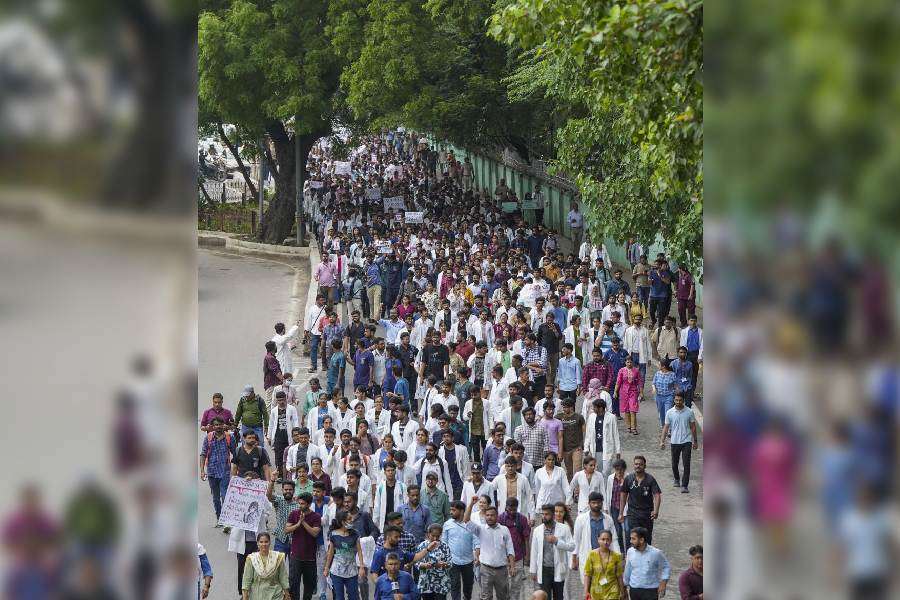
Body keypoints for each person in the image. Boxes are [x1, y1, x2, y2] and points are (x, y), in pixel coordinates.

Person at [466, 503, 516, 600]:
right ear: (485, 516)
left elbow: (510, 548)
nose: (489, 517)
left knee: (503, 597)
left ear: (497, 516)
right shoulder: (480, 529)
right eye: (487, 515)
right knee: (486, 597)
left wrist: (512, 566)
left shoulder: (504, 529)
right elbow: (466, 521)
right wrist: (471, 504)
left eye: (492, 515)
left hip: (502, 570)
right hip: (485, 569)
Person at [528, 504, 574, 600]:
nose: (544, 517)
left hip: (558, 568)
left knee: (559, 596)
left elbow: (572, 546)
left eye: (547, 514)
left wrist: (557, 541)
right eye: (542, 514)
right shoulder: (537, 530)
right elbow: (534, 552)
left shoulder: (564, 528)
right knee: (545, 597)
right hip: (544, 570)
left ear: (553, 515)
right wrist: (533, 570)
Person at [285, 493, 323, 600]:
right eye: (299, 503)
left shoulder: (316, 517)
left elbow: (315, 533)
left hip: (310, 558)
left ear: (309, 504)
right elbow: (286, 530)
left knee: (309, 586)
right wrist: (297, 524)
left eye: (303, 504)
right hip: (295, 556)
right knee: (293, 584)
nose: (300, 505)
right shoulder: (294, 514)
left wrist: (303, 522)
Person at [322, 510, 366, 600]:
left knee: (354, 597)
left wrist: (362, 567)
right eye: (349, 519)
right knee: (339, 597)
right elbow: (330, 553)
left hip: (352, 571)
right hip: (336, 571)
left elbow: (360, 551)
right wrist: (326, 568)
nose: (352, 520)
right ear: (343, 522)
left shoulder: (355, 533)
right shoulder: (333, 534)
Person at [200, 417, 237, 524]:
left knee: (225, 496)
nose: (218, 427)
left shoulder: (229, 438)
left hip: (225, 471)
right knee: (216, 498)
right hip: (211, 471)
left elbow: (235, 454)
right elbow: (203, 454)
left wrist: (237, 470)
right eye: (215, 425)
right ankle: (219, 518)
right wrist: (202, 471)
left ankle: (226, 520)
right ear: (212, 426)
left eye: (220, 424)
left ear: (223, 425)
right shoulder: (208, 438)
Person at [659, 393, 699, 493]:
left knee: (686, 464)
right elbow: (666, 427)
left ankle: (685, 485)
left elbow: (693, 427)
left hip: (687, 441)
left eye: (680, 400)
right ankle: (677, 479)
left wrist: (695, 441)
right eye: (676, 400)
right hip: (674, 441)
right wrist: (662, 441)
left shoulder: (689, 412)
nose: (678, 402)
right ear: (674, 400)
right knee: (674, 464)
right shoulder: (670, 412)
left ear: (683, 400)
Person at [618, 457, 661, 545]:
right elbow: (623, 495)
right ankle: (632, 557)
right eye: (636, 464)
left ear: (645, 466)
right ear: (634, 465)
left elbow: (657, 495)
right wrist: (621, 513)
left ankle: (647, 557)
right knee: (633, 537)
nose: (638, 466)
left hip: (647, 515)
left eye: (640, 464)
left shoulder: (650, 479)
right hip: (632, 514)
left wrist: (656, 511)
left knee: (646, 538)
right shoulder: (629, 479)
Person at [442, 501, 479, 600]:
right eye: (450, 510)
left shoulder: (470, 525)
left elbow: (476, 542)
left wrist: (477, 556)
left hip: (468, 560)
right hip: (453, 561)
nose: (451, 512)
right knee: (454, 585)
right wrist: (445, 559)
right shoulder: (447, 524)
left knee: (468, 585)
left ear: (462, 511)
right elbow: (444, 543)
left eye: (453, 510)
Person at [623, 527, 670, 600]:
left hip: (651, 590)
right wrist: (625, 585)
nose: (630, 541)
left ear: (641, 540)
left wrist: (663, 583)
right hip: (634, 589)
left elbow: (666, 566)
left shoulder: (656, 553)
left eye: (633, 539)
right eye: (631, 538)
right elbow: (628, 569)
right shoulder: (630, 551)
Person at [241, 532, 290, 600]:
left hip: (275, 595)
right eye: (261, 542)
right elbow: (247, 579)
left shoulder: (278, 557)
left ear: (270, 543)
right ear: (257, 543)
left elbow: (283, 577)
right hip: (257, 595)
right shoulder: (252, 559)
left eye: (266, 542)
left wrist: (287, 594)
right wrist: (245, 597)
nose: (264, 544)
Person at [412, 523, 453, 600]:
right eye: (433, 535)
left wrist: (444, 564)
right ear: (428, 534)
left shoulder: (445, 546)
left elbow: (450, 563)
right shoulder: (422, 546)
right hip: (426, 582)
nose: (435, 538)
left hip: (441, 583)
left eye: (437, 536)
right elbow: (415, 562)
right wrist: (424, 565)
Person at [582, 529, 625, 600]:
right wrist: (586, 591)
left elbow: (619, 575)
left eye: (608, 540)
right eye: (603, 539)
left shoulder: (616, 556)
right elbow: (587, 574)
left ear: (611, 541)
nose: (605, 542)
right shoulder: (592, 555)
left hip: (612, 590)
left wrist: (622, 592)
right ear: (598, 540)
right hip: (596, 591)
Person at [584, 398, 620, 477]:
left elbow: (615, 434)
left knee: (606, 471)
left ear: (600, 408)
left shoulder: (611, 417)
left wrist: (618, 450)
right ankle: (599, 489)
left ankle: (607, 489)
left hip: (607, 448)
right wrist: (586, 447)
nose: (593, 409)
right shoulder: (591, 417)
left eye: (595, 407)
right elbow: (588, 434)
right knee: (597, 471)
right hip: (596, 448)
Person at [269, 392, 301, 478]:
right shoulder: (274, 411)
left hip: (289, 436)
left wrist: (297, 434)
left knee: (290, 454)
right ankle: (280, 475)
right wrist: (269, 437)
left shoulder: (292, 409)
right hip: (278, 436)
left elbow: (295, 421)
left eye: (282, 400)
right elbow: (271, 424)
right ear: (276, 400)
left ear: (286, 399)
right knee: (278, 456)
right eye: (279, 400)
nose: (281, 402)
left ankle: (289, 474)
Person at [267, 474, 300, 557]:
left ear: (294, 490)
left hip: (295, 540)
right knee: (277, 566)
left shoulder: (299, 504)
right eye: (286, 489)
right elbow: (269, 496)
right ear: (282, 490)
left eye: (290, 489)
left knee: (293, 568)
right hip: (280, 540)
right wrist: (272, 481)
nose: (288, 491)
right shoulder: (279, 500)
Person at [533, 452, 571, 523]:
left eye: (553, 460)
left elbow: (566, 487)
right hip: (544, 502)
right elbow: (537, 489)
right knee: (546, 525)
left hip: (557, 502)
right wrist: (537, 503)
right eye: (549, 459)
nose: (551, 462)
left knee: (559, 525)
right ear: (545, 460)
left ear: (555, 460)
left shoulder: (560, 471)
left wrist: (568, 502)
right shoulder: (539, 472)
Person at [614, 357, 643, 436]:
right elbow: (618, 382)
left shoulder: (636, 371)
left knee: (633, 410)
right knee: (626, 410)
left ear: (633, 362)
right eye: (627, 362)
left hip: (633, 391)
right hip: (623, 392)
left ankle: (634, 428)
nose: (629, 364)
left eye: (630, 362)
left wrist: (641, 392)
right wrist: (615, 392)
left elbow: (640, 382)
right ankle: (628, 426)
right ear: (625, 362)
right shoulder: (621, 370)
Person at [651, 360, 676, 429]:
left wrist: (674, 393)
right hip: (659, 396)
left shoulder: (672, 374)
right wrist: (654, 389)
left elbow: (675, 385)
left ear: (663, 366)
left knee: (668, 412)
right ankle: (663, 426)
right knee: (661, 412)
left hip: (669, 396)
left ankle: (669, 429)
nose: (658, 366)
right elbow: (653, 383)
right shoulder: (657, 374)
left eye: (659, 364)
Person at [264, 340, 285, 409]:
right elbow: (276, 371)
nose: (276, 348)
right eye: (275, 346)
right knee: (270, 403)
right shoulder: (270, 358)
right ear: (273, 348)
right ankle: (270, 419)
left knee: (275, 401)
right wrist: (283, 380)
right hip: (272, 384)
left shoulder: (270, 357)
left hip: (273, 383)